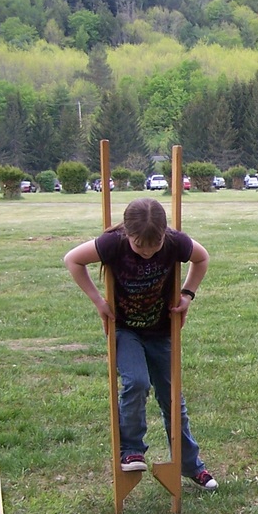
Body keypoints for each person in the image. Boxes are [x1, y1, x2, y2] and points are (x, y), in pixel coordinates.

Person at [63, 198, 218, 490]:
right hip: (125, 330)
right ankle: (131, 449)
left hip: (160, 330)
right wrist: (99, 302)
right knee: (136, 382)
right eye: (139, 245)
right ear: (127, 235)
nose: (147, 252)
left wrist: (187, 295)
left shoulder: (175, 242)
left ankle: (190, 465)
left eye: (154, 245)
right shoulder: (112, 243)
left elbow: (202, 258)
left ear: (164, 234)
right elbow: (73, 259)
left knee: (173, 399)